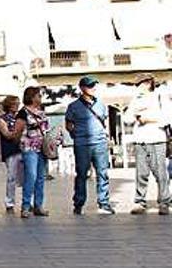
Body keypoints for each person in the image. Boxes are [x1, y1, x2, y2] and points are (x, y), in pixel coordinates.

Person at [65, 76, 115, 214]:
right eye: (89, 86)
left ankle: (104, 203)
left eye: (94, 85)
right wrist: (77, 135)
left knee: (103, 173)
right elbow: (69, 125)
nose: (93, 88)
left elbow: (104, 122)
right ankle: (79, 204)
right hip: (82, 144)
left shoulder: (101, 105)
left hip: (99, 143)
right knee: (82, 174)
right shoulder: (73, 106)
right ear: (82, 88)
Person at [124, 73, 171, 215]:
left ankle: (164, 202)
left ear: (148, 83)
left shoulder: (160, 97)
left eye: (140, 84)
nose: (138, 87)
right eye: (137, 84)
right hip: (140, 139)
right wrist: (135, 114)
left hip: (157, 138)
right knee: (141, 172)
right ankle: (140, 201)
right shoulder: (136, 99)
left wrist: (149, 119)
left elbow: (168, 118)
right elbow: (127, 119)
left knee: (160, 173)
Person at [12, 87, 55, 218]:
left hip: (42, 148)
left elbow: (46, 129)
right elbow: (17, 131)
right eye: (38, 95)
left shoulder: (41, 112)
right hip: (29, 148)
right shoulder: (23, 113)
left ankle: (38, 205)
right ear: (31, 97)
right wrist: (18, 143)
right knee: (31, 176)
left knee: (41, 177)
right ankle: (25, 206)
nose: (40, 98)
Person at [0, 95, 23, 214]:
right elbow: (6, 134)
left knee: (26, 177)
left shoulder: (20, 117)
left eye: (18, 103)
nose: (17, 105)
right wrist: (19, 132)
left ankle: (28, 202)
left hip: (23, 149)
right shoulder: (2, 119)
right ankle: (9, 203)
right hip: (10, 150)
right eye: (14, 103)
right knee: (12, 177)